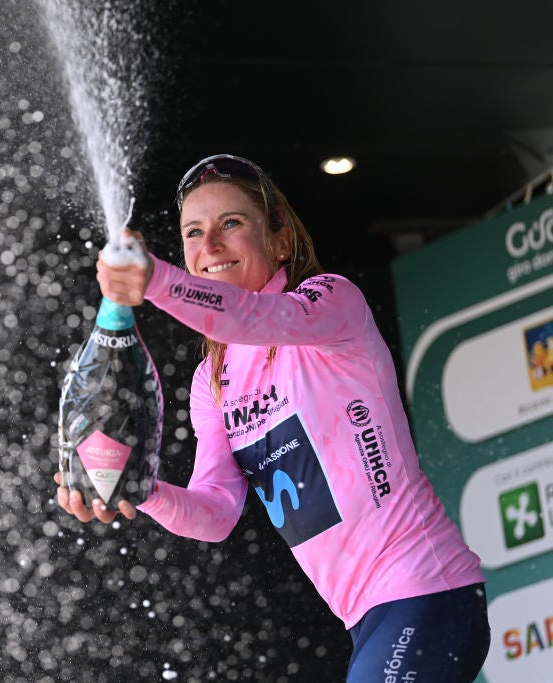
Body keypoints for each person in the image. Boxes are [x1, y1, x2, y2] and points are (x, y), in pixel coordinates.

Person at [54, 154, 490, 682]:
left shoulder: (330, 303)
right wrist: (139, 490)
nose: (208, 246)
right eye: (193, 232)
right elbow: (216, 513)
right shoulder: (211, 379)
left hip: (427, 590)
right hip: (366, 618)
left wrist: (157, 280)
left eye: (230, 224)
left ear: (281, 239)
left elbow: (255, 317)